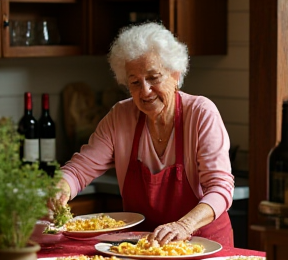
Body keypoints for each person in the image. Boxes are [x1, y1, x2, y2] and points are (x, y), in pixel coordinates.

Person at [53, 22, 235, 247]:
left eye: (154, 77)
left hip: (203, 245)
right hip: (144, 248)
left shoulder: (200, 113)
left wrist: (183, 226)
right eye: (135, 82)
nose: (145, 91)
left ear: (175, 74)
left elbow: (220, 188)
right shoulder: (120, 116)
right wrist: (59, 188)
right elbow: (79, 170)